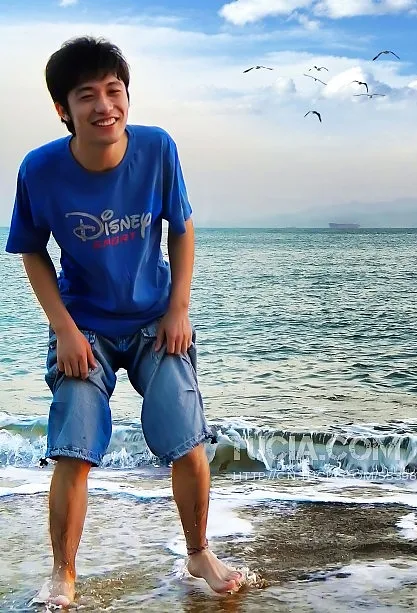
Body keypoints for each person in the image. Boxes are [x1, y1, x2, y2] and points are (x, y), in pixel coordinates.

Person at [5, 36, 242, 607]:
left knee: (186, 438)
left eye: (114, 91)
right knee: (74, 445)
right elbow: (31, 249)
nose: (104, 105)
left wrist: (179, 309)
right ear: (63, 109)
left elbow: (181, 227)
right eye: (86, 95)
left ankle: (199, 551)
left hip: (155, 320)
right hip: (84, 326)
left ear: (128, 98)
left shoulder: (157, 149)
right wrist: (64, 330)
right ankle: (63, 573)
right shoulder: (40, 169)